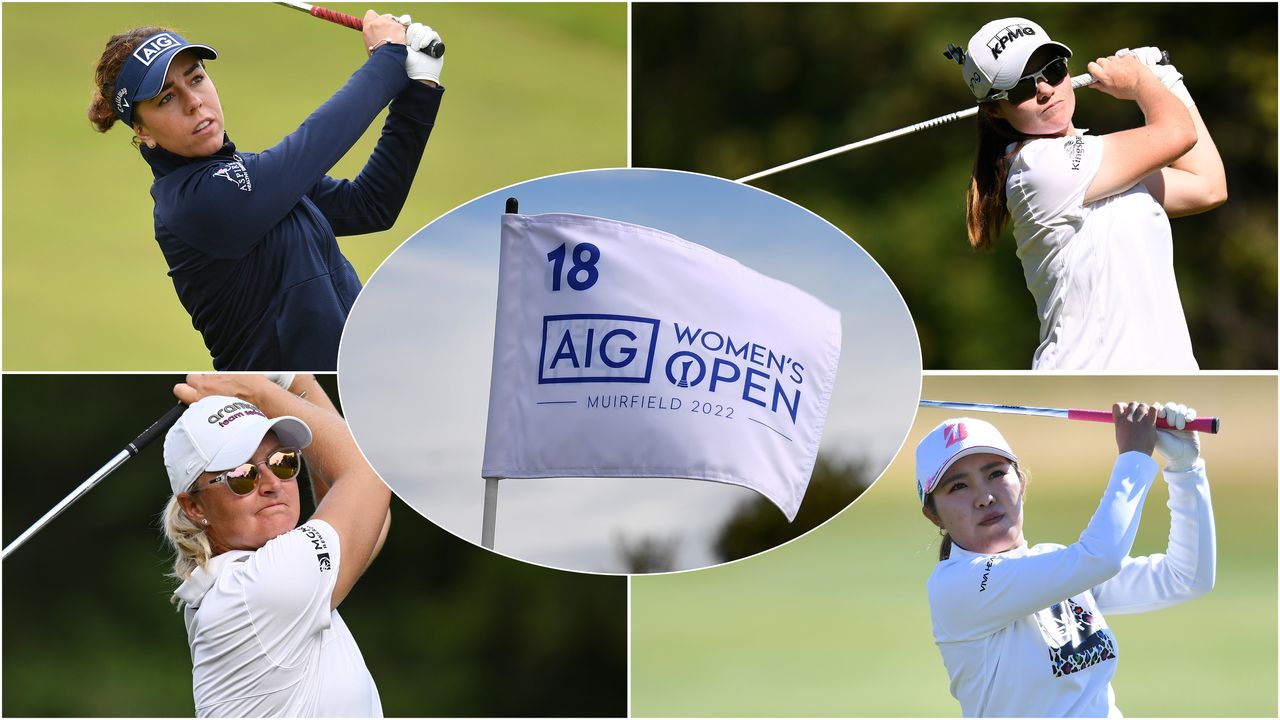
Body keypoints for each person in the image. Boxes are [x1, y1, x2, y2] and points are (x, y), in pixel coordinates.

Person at [87, 15, 446, 371]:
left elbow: (369, 206)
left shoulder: (248, 176)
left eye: (196, 78)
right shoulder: (192, 204)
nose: (193, 101)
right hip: (304, 407)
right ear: (142, 131)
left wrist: (420, 87)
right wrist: (388, 57)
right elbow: (313, 145)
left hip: (365, 379)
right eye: (166, 98)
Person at [948, 18, 1227, 370]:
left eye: (1053, 70)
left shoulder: (1095, 161)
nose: (1045, 89)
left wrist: (1168, 79)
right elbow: (1176, 134)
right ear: (994, 109)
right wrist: (1143, 82)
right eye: (1021, 88)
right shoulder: (1035, 169)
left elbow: (1208, 186)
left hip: (1166, 384)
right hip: (1089, 383)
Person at [915, 402, 1215, 717]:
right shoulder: (958, 585)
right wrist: (1134, 456)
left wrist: (1185, 469)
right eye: (958, 486)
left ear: (1022, 481)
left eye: (996, 473)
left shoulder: (1054, 562)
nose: (985, 497)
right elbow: (1101, 556)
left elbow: (1186, 578)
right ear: (934, 516)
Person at [161, 373, 392, 716]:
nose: (271, 483)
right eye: (242, 475)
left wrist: (298, 377)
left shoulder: (242, 581)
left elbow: (369, 514)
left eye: (283, 462)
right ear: (195, 507)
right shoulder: (259, 589)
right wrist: (264, 391)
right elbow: (368, 475)